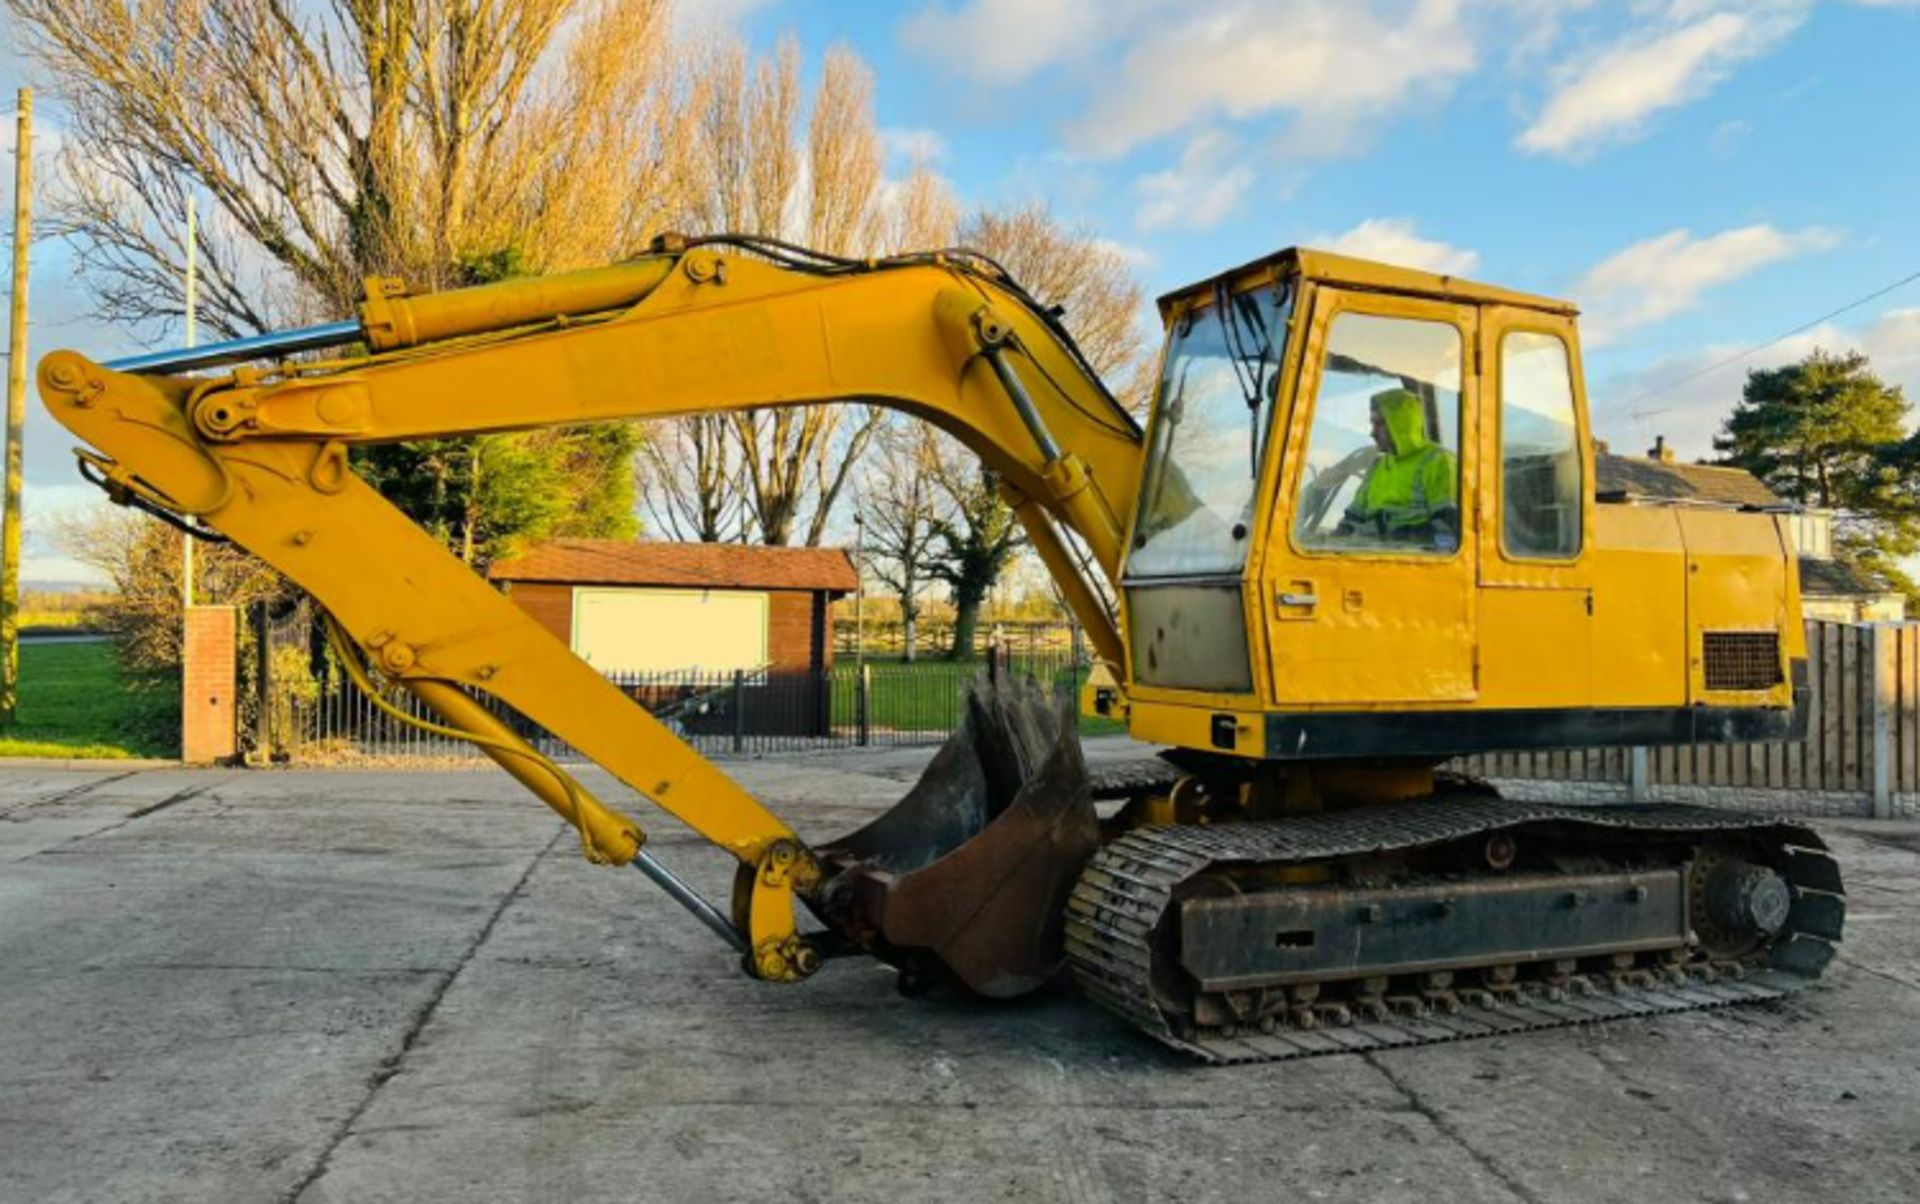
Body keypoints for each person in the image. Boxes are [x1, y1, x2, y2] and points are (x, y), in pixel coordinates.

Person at [1336, 387, 1458, 546]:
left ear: (1401, 424)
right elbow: (1352, 519)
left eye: (1379, 424)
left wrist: (1397, 537)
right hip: (1372, 555)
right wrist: (1332, 539)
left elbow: (1449, 532)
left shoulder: (1438, 462)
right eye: (1372, 424)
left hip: (1411, 562)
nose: (1372, 433)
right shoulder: (1378, 466)